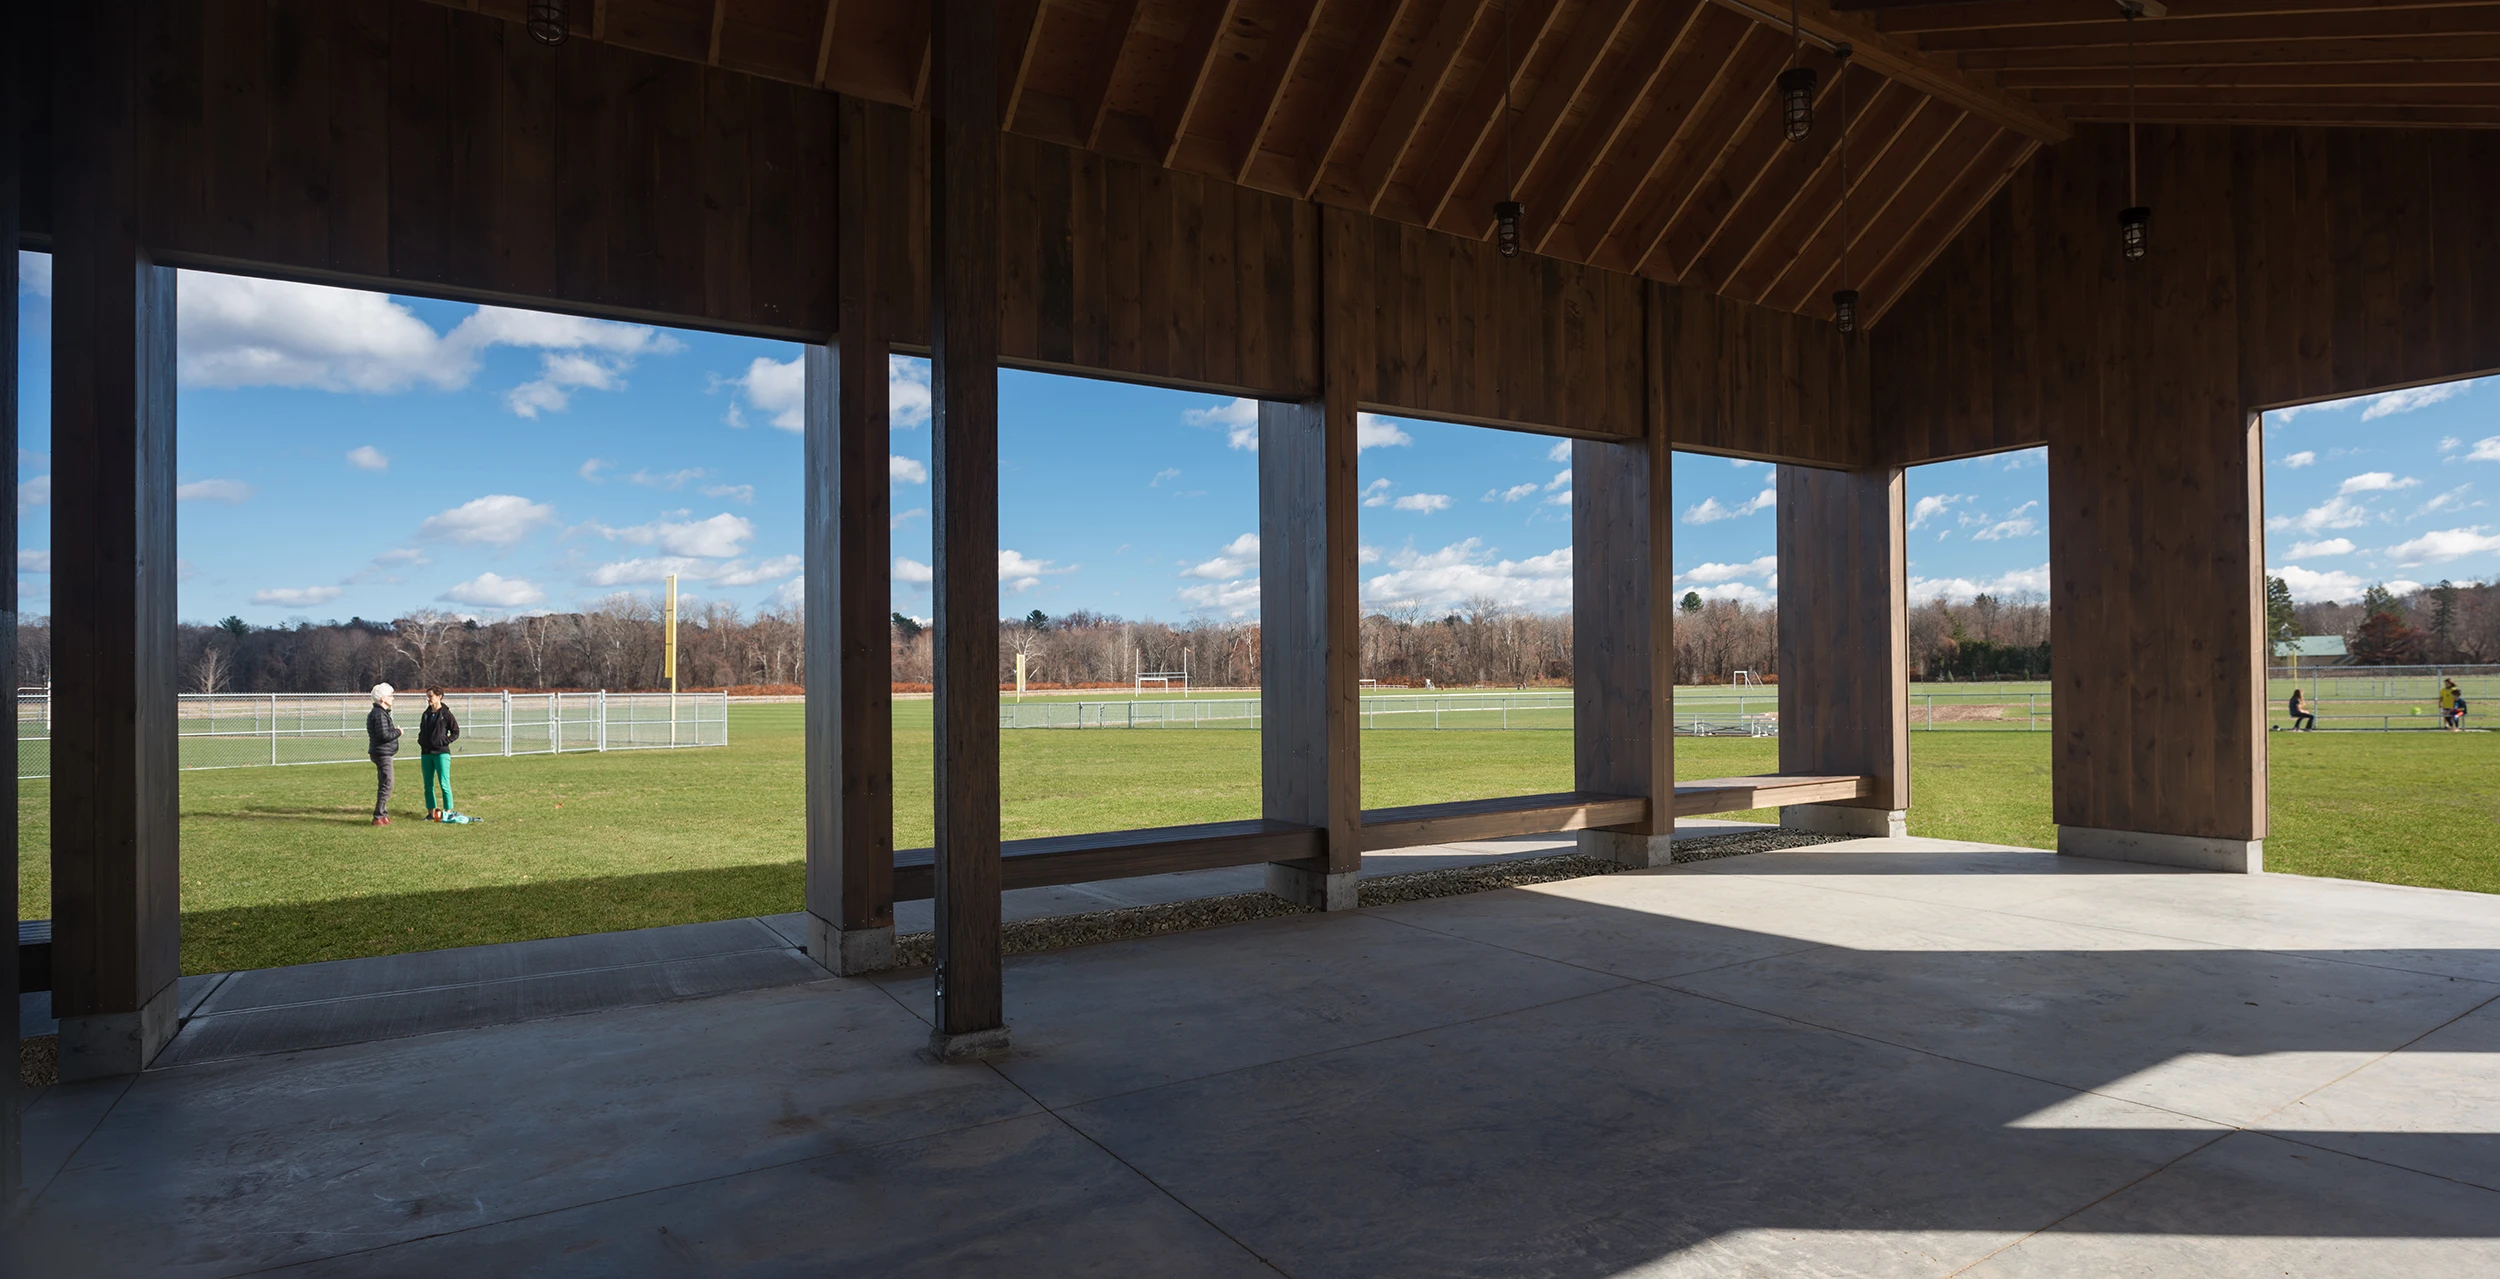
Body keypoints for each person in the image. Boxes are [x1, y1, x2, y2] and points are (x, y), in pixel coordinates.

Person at [418, 687, 462, 820]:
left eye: (430, 696)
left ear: (439, 697)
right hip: (426, 753)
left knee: (444, 783)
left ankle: (448, 811)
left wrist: (444, 741)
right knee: (428, 785)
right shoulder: (425, 714)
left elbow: (455, 732)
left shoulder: (446, 714)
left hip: (441, 754)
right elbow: (422, 731)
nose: (428, 699)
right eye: (427, 696)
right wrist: (421, 740)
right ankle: (431, 813)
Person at [366, 683, 402, 825]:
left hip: (382, 752)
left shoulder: (380, 713)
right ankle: (378, 815)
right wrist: (398, 732)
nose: (392, 698)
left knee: (385, 783)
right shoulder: (379, 714)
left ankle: (383, 814)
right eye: (390, 696)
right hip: (382, 753)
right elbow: (384, 735)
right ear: (382, 698)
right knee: (388, 783)